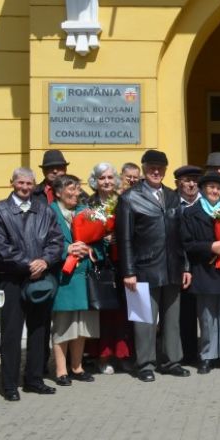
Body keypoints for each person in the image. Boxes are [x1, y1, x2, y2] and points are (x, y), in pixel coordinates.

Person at [0, 167, 65, 400]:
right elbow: (0, 247)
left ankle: (34, 379)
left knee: (39, 329)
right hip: (12, 279)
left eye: (29, 183)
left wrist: (45, 261)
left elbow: (56, 241)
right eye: (20, 183)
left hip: (40, 278)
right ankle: (9, 384)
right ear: (12, 182)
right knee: (11, 332)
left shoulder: (44, 210)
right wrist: (30, 264)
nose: (24, 187)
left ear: (34, 185)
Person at [116, 149, 192, 382]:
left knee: (172, 319)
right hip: (142, 268)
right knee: (143, 320)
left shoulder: (172, 196)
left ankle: (171, 361)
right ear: (144, 169)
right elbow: (124, 238)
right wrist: (128, 271)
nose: (156, 171)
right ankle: (145, 364)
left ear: (166, 170)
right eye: (151, 168)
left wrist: (186, 266)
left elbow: (181, 234)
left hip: (172, 267)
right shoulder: (129, 198)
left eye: (160, 168)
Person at [181, 171, 220, 374]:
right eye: (211, 187)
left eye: (218, 188)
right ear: (202, 189)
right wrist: (211, 247)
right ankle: (207, 356)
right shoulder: (190, 213)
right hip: (204, 271)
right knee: (207, 318)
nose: (214, 191)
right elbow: (187, 244)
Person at [48, 174, 99, 386]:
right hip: (62, 277)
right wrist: (66, 249)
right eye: (71, 189)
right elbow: (42, 241)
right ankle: (61, 370)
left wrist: (91, 249)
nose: (76, 193)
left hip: (83, 276)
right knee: (63, 325)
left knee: (81, 325)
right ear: (58, 192)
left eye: (78, 189)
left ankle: (77, 367)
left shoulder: (84, 212)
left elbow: (98, 241)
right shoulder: (49, 212)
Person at [85, 162, 132, 374]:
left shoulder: (124, 201)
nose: (106, 182)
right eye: (102, 178)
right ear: (95, 181)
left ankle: (123, 355)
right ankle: (103, 356)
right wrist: (101, 239)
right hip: (101, 265)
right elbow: (82, 234)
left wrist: (117, 236)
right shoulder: (88, 204)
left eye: (110, 177)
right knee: (103, 313)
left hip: (123, 263)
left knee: (123, 312)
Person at [173, 165, 203, 366]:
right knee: (185, 312)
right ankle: (188, 353)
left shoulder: (208, 203)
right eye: (187, 181)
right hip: (181, 265)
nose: (192, 184)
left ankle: (209, 352)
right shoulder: (172, 204)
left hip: (205, 264)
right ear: (178, 184)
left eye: (195, 180)